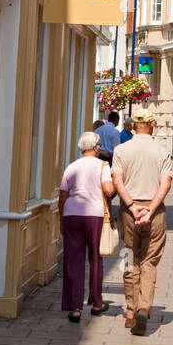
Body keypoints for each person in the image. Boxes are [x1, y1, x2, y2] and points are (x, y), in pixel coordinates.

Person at [112, 112, 173, 335]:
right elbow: (165, 183)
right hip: (154, 212)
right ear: (152, 125)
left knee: (129, 257)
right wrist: (150, 209)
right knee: (149, 261)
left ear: (133, 126)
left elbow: (117, 180)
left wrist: (132, 205)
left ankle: (130, 311)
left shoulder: (121, 150)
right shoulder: (161, 151)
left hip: (129, 211)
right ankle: (144, 307)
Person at [58, 131, 114, 322]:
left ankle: (75, 307)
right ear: (96, 147)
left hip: (72, 215)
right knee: (96, 259)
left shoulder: (71, 167)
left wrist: (61, 220)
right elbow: (108, 190)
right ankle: (97, 302)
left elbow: (62, 197)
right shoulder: (102, 166)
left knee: (73, 260)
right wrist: (115, 185)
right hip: (94, 215)